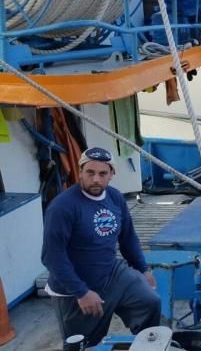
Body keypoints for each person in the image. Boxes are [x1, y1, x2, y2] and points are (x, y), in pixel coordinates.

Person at [42, 147, 161, 347]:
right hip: (74, 287)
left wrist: (143, 268)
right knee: (84, 344)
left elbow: (128, 237)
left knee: (150, 302)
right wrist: (81, 292)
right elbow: (51, 256)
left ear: (112, 174)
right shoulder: (62, 207)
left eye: (102, 173)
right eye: (90, 172)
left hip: (110, 272)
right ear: (80, 172)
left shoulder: (115, 198)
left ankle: (147, 345)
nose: (96, 179)